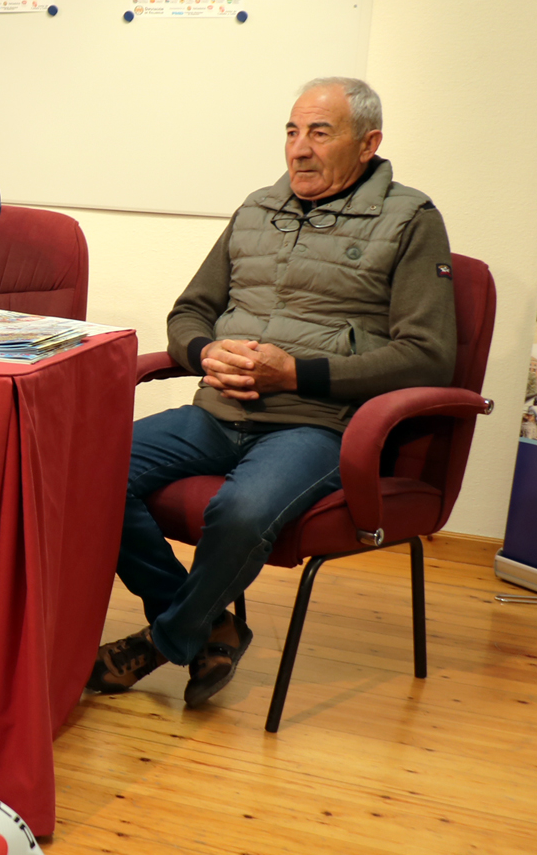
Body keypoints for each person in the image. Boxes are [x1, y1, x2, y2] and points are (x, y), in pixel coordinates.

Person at [90, 78, 457, 708]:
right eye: (292, 131)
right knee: (89, 468)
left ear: (368, 143)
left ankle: (160, 642)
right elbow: (190, 311)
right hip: (218, 412)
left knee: (239, 511)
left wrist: (295, 374)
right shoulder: (258, 208)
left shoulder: (411, 220)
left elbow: (428, 355)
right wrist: (204, 353)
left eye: (320, 132)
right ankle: (209, 626)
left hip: (316, 424)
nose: (299, 149)